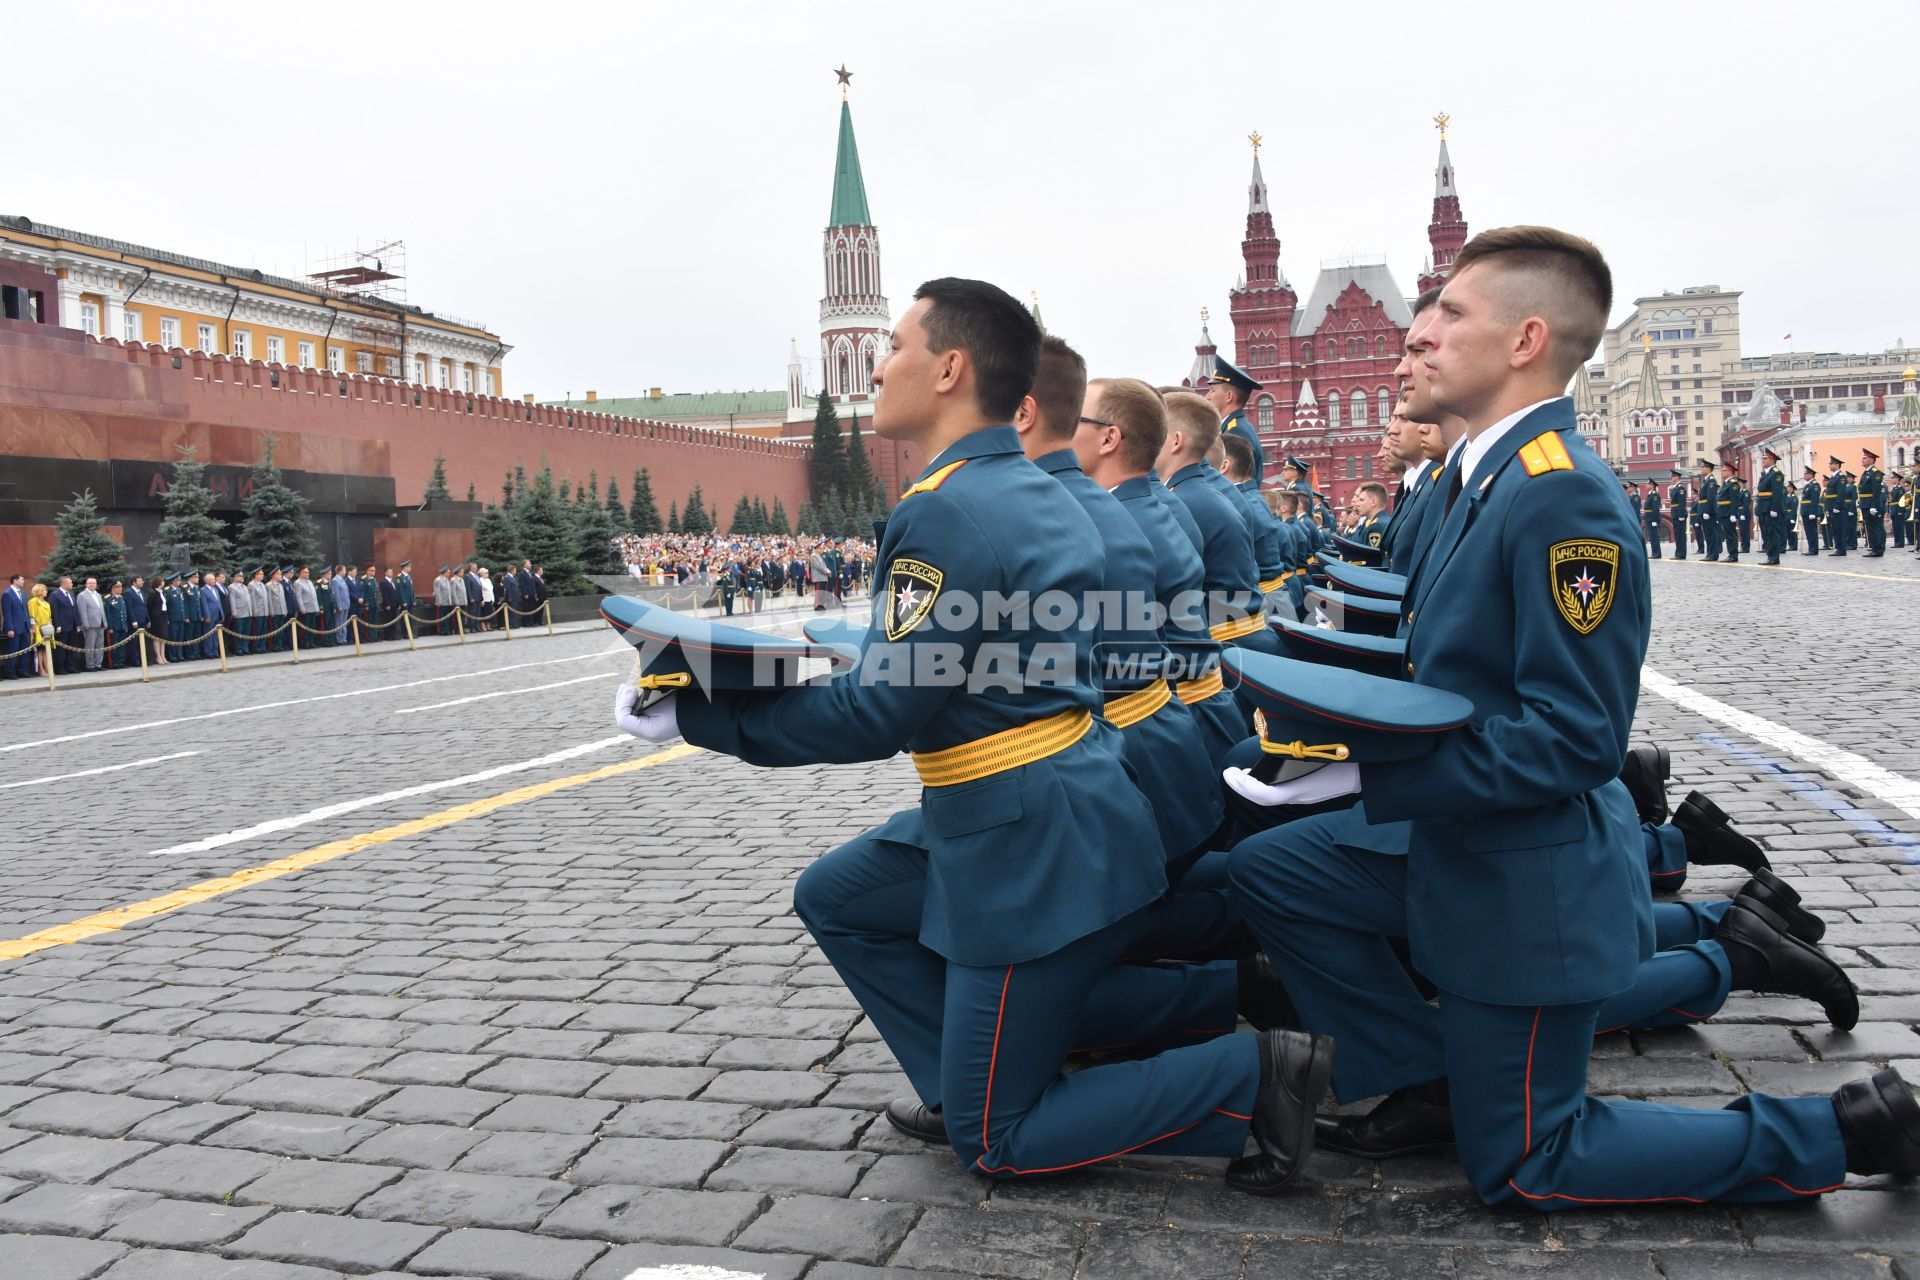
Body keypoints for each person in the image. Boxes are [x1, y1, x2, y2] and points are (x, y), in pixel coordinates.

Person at [1228, 224, 1920, 1210]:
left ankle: (1842, 1126)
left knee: (1526, 1159)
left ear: (1523, 340)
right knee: (1275, 867)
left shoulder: (1560, 498)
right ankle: (1435, 1074)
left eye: (1453, 314)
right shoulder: (1491, 480)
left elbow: (1572, 735)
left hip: (1527, 870)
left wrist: (1371, 773)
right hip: (1461, 837)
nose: (1422, 336)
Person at [617, 277, 1330, 1194]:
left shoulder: (947, 506)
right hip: (1057, 797)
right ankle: (979, 1073)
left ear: (951, 368)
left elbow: (883, 710)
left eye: (900, 347)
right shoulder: (1032, 489)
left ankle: (1254, 1075)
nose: (880, 364)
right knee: (842, 896)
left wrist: (702, 710)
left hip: (1022, 833)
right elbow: (975, 663)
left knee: (1002, 1141)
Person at [1205, 355, 1266, 488]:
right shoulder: (1234, 426)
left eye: (1212, 390)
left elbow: (1237, 481)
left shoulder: (1236, 431)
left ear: (1228, 396)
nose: (1207, 396)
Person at [1755, 446, 1788, 566]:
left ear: (1772, 460)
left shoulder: (1776, 474)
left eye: (1765, 459)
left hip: (1770, 507)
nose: (1763, 461)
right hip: (1763, 507)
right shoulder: (1766, 473)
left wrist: (1774, 508)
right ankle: (1770, 555)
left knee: (1772, 532)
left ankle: (1774, 557)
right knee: (1767, 533)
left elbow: (1777, 493)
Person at [1858, 448, 1886, 557]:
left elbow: (1876, 491)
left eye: (1865, 458)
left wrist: (1873, 506)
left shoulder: (1875, 473)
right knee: (1870, 528)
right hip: (1865, 504)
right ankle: (1874, 548)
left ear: (1871, 460)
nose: (1862, 460)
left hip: (1871, 505)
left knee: (1874, 527)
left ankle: (1877, 549)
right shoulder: (1866, 473)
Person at [2, 573, 30, 679]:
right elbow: (7, 613)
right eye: (21, 579)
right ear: (15, 580)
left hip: (25, 627)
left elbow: (25, 610)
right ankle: (10, 672)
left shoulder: (23, 593)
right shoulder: (7, 594)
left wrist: (29, 625)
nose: (23, 581)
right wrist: (9, 628)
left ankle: (22, 670)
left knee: (25, 649)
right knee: (12, 650)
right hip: (14, 628)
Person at [75, 576, 106, 671]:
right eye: (90, 583)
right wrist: (85, 623)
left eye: (94, 583)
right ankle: (90, 665)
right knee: (90, 645)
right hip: (90, 625)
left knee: (100, 645)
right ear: (86, 584)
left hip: (100, 623)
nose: (92, 585)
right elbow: (82, 611)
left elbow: (102, 610)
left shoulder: (98, 595)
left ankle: (98, 664)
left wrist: (105, 621)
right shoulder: (82, 595)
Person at [1716, 461, 1742, 564]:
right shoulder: (1726, 484)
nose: (1722, 472)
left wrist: (1733, 514)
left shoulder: (1733, 484)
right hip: (1723, 512)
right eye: (1722, 470)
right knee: (1727, 534)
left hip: (1728, 512)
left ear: (1731, 471)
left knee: (1731, 534)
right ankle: (1731, 554)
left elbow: (1735, 500)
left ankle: (1733, 555)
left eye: (1725, 470)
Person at [1694, 458, 1719, 560]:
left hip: (1707, 510)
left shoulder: (1711, 481)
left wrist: (1707, 511)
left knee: (1711, 533)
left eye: (1703, 467)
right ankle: (1710, 553)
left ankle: (1713, 554)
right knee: (1707, 533)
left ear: (1709, 468)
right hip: (1703, 508)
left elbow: (1711, 497)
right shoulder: (1705, 480)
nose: (1701, 468)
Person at [102, 580, 129, 669]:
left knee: (122, 645)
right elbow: (108, 614)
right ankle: (114, 662)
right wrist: (110, 627)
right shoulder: (108, 598)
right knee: (114, 645)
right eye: (118, 587)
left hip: (122, 625)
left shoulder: (121, 598)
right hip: (114, 626)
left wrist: (125, 625)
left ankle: (121, 661)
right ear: (113, 588)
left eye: (121, 587)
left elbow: (124, 612)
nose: (120, 589)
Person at [27, 583, 52, 678]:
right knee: (39, 650)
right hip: (37, 628)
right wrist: (33, 627)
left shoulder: (46, 603)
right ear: (39, 591)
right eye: (44, 590)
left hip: (46, 628)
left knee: (46, 649)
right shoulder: (33, 601)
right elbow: (31, 615)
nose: (46, 591)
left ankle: (48, 669)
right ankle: (41, 670)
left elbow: (49, 617)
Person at [1800, 466, 1823, 555]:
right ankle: (1811, 548)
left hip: (1810, 511)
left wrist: (1812, 512)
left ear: (1811, 475)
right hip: (1806, 511)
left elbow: (1814, 500)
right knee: (1808, 531)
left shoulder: (1814, 485)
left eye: (1806, 474)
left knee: (1812, 531)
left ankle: (1813, 549)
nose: (1804, 475)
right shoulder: (1808, 485)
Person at [1665, 468, 1687, 561]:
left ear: (1677, 477)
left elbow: (1682, 502)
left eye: (1673, 476)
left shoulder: (1680, 488)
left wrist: (1681, 515)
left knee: (1681, 535)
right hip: (1675, 512)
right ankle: (1678, 553)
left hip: (1679, 513)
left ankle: (1681, 553)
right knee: (1677, 534)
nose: (1671, 478)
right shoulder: (1676, 487)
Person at [1639, 481, 1662, 559]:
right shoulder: (1650, 495)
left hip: (1652, 519)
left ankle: (1656, 553)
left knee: (1654, 536)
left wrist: (1654, 520)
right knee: (1652, 537)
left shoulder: (1654, 495)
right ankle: (1654, 552)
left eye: (1647, 484)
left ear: (1652, 485)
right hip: (1649, 518)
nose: (1646, 485)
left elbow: (1655, 508)